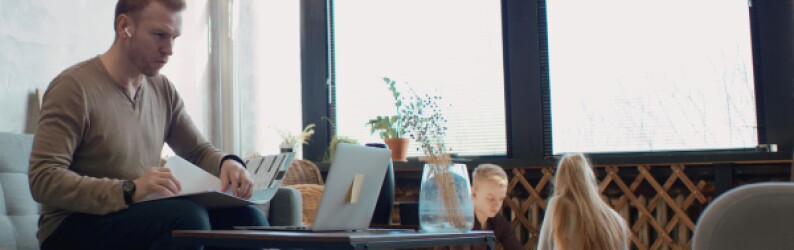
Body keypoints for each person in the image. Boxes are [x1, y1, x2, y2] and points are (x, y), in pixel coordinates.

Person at [28, 0, 266, 249]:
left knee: (247, 220)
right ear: (124, 26)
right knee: (187, 219)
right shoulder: (73, 88)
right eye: (159, 35)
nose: (169, 49)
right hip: (72, 227)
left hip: (135, 213)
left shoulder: (162, 89)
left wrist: (226, 162)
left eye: (174, 38)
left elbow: (197, 151)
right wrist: (129, 189)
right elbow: (44, 178)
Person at [537, 153, 630, 250]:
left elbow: (543, 248)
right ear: (590, 178)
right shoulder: (616, 219)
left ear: (560, 180)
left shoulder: (558, 205)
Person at [470, 164, 522, 250]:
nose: (497, 205)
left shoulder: (497, 222)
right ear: (474, 193)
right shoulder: (460, 224)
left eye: (501, 199)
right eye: (491, 199)